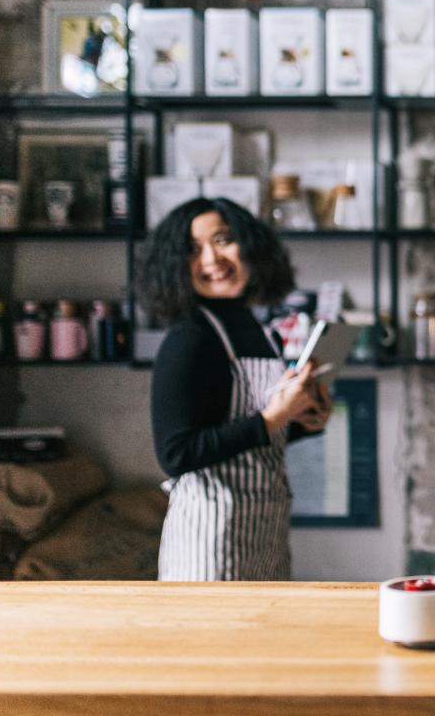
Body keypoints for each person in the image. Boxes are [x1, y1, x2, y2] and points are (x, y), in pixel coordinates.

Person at [140, 197, 330, 579]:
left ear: (250, 246)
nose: (211, 258)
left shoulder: (260, 332)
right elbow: (176, 453)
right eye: (193, 250)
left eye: (223, 239)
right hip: (206, 545)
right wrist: (273, 417)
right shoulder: (189, 338)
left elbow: (248, 430)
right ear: (176, 266)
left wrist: (302, 420)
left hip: (265, 535)